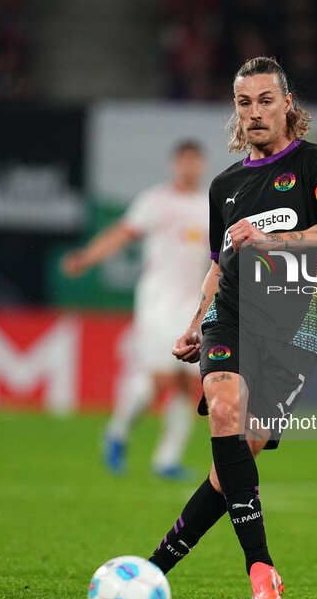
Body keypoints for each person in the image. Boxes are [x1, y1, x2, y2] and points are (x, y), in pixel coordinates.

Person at [147, 56, 317, 599]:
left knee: (241, 453)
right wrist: (196, 323)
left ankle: (155, 568)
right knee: (224, 409)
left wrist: (278, 240)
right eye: (244, 103)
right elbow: (219, 265)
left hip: (300, 323)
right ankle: (260, 570)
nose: (255, 112)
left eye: (266, 100)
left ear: (288, 103)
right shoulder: (225, 186)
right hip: (233, 313)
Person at [62, 141, 209, 479]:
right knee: (160, 379)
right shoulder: (155, 201)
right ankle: (117, 431)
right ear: (175, 164)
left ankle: (166, 460)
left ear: (201, 165)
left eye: (195, 162)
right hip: (157, 301)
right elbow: (121, 235)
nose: (190, 168)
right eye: (184, 161)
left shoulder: (209, 206)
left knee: (189, 383)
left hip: (193, 305)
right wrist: (86, 258)